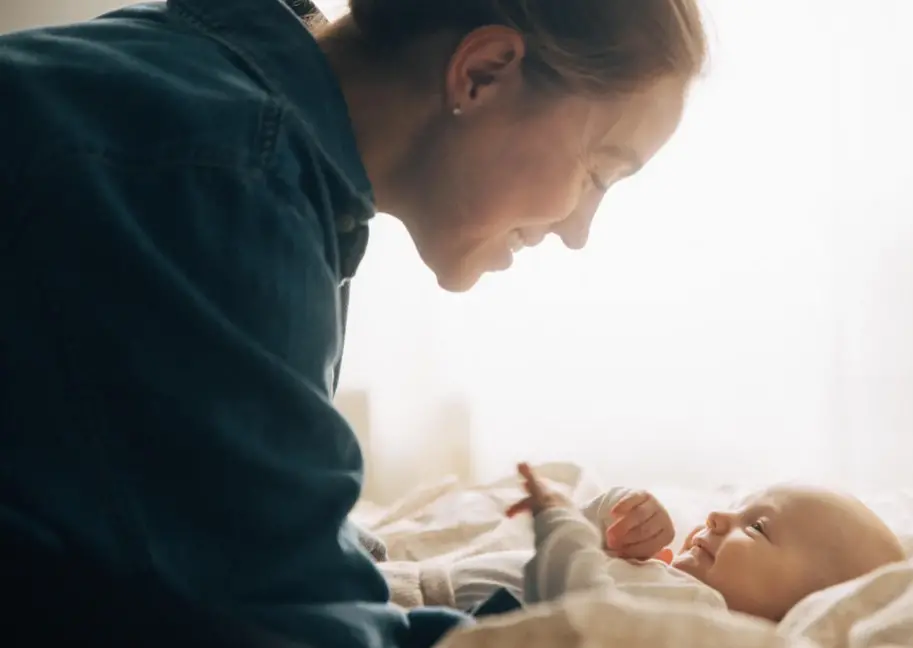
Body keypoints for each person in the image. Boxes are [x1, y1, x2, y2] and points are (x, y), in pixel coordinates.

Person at [0, 0, 706, 646]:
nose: (579, 232)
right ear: (483, 74)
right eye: (598, 172)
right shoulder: (225, 182)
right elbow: (281, 623)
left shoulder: (222, 100)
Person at [370, 464, 906, 622]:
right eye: (740, 505)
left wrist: (559, 520)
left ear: (804, 603)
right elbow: (585, 550)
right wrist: (616, 511)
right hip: (416, 584)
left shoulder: (697, 610)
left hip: (425, 609)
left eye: (757, 527)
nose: (719, 516)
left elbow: (576, 604)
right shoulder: (669, 579)